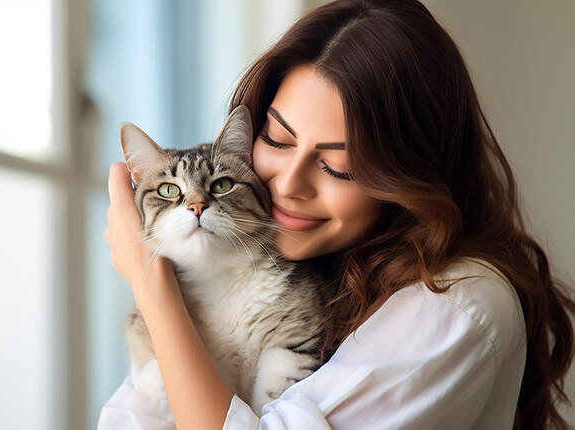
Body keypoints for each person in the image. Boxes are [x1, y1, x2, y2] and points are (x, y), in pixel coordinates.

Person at [99, 0, 575, 428]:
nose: (287, 185)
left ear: (409, 178)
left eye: (338, 167)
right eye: (277, 140)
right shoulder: (287, 261)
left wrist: (150, 283)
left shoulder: (455, 303)